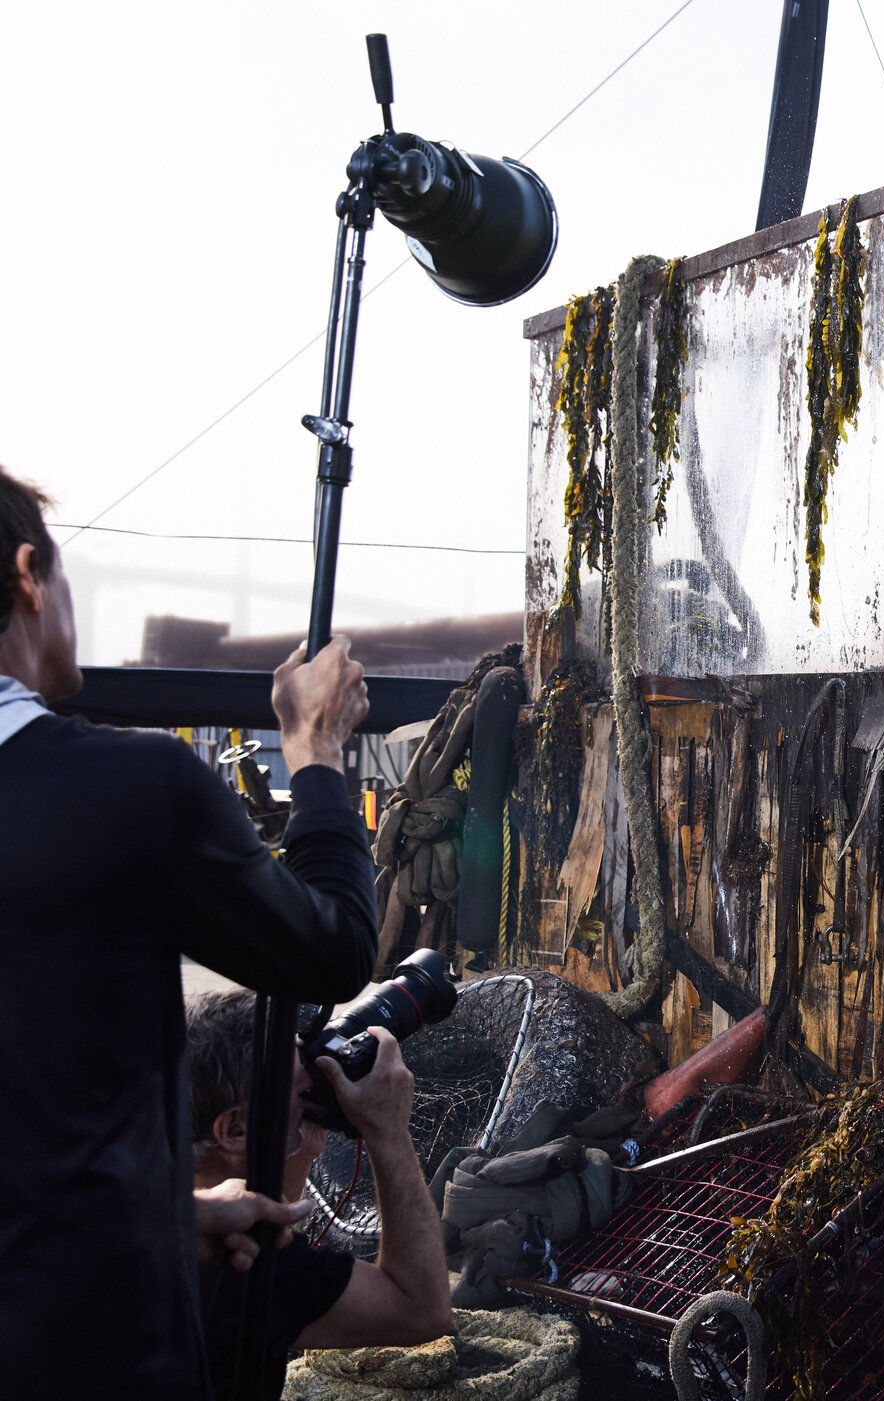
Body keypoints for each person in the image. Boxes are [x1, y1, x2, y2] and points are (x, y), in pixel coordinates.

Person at [0, 465, 381, 1399]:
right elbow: (331, 947)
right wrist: (317, 757)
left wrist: (166, 1217)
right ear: (26, 579)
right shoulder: (131, 791)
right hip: (96, 1356)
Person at [188, 990, 451, 1398]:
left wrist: (303, 1145)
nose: (312, 1088)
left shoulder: (139, 1206)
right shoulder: (237, 1255)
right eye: (297, 1089)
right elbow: (420, 1310)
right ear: (235, 1130)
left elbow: (269, 1231)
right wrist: (389, 1131)